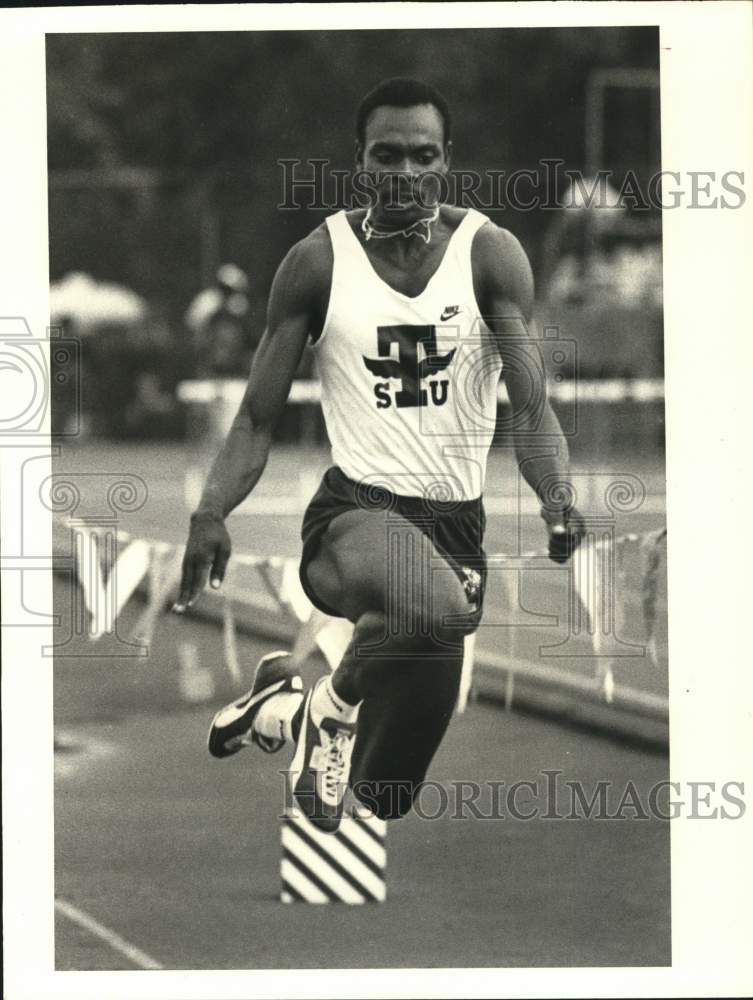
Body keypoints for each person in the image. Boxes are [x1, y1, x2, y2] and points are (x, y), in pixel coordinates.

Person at [173, 78, 583, 833]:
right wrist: (210, 510)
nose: (404, 173)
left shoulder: (490, 255)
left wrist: (555, 494)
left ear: (446, 160)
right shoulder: (316, 261)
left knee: (385, 794)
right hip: (354, 519)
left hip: (455, 528)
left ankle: (289, 687)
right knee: (433, 606)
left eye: (421, 156)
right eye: (385, 156)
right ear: (359, 163)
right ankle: (328, 709)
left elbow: (528, 406)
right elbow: (257, 417)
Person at [184, 262, 253, 377]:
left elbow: (241, 330)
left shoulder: (237, 302)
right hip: (204, 347)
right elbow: (194, 327)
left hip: (228, 354)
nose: (229, 292)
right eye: (226, 288)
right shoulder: (207, 301)